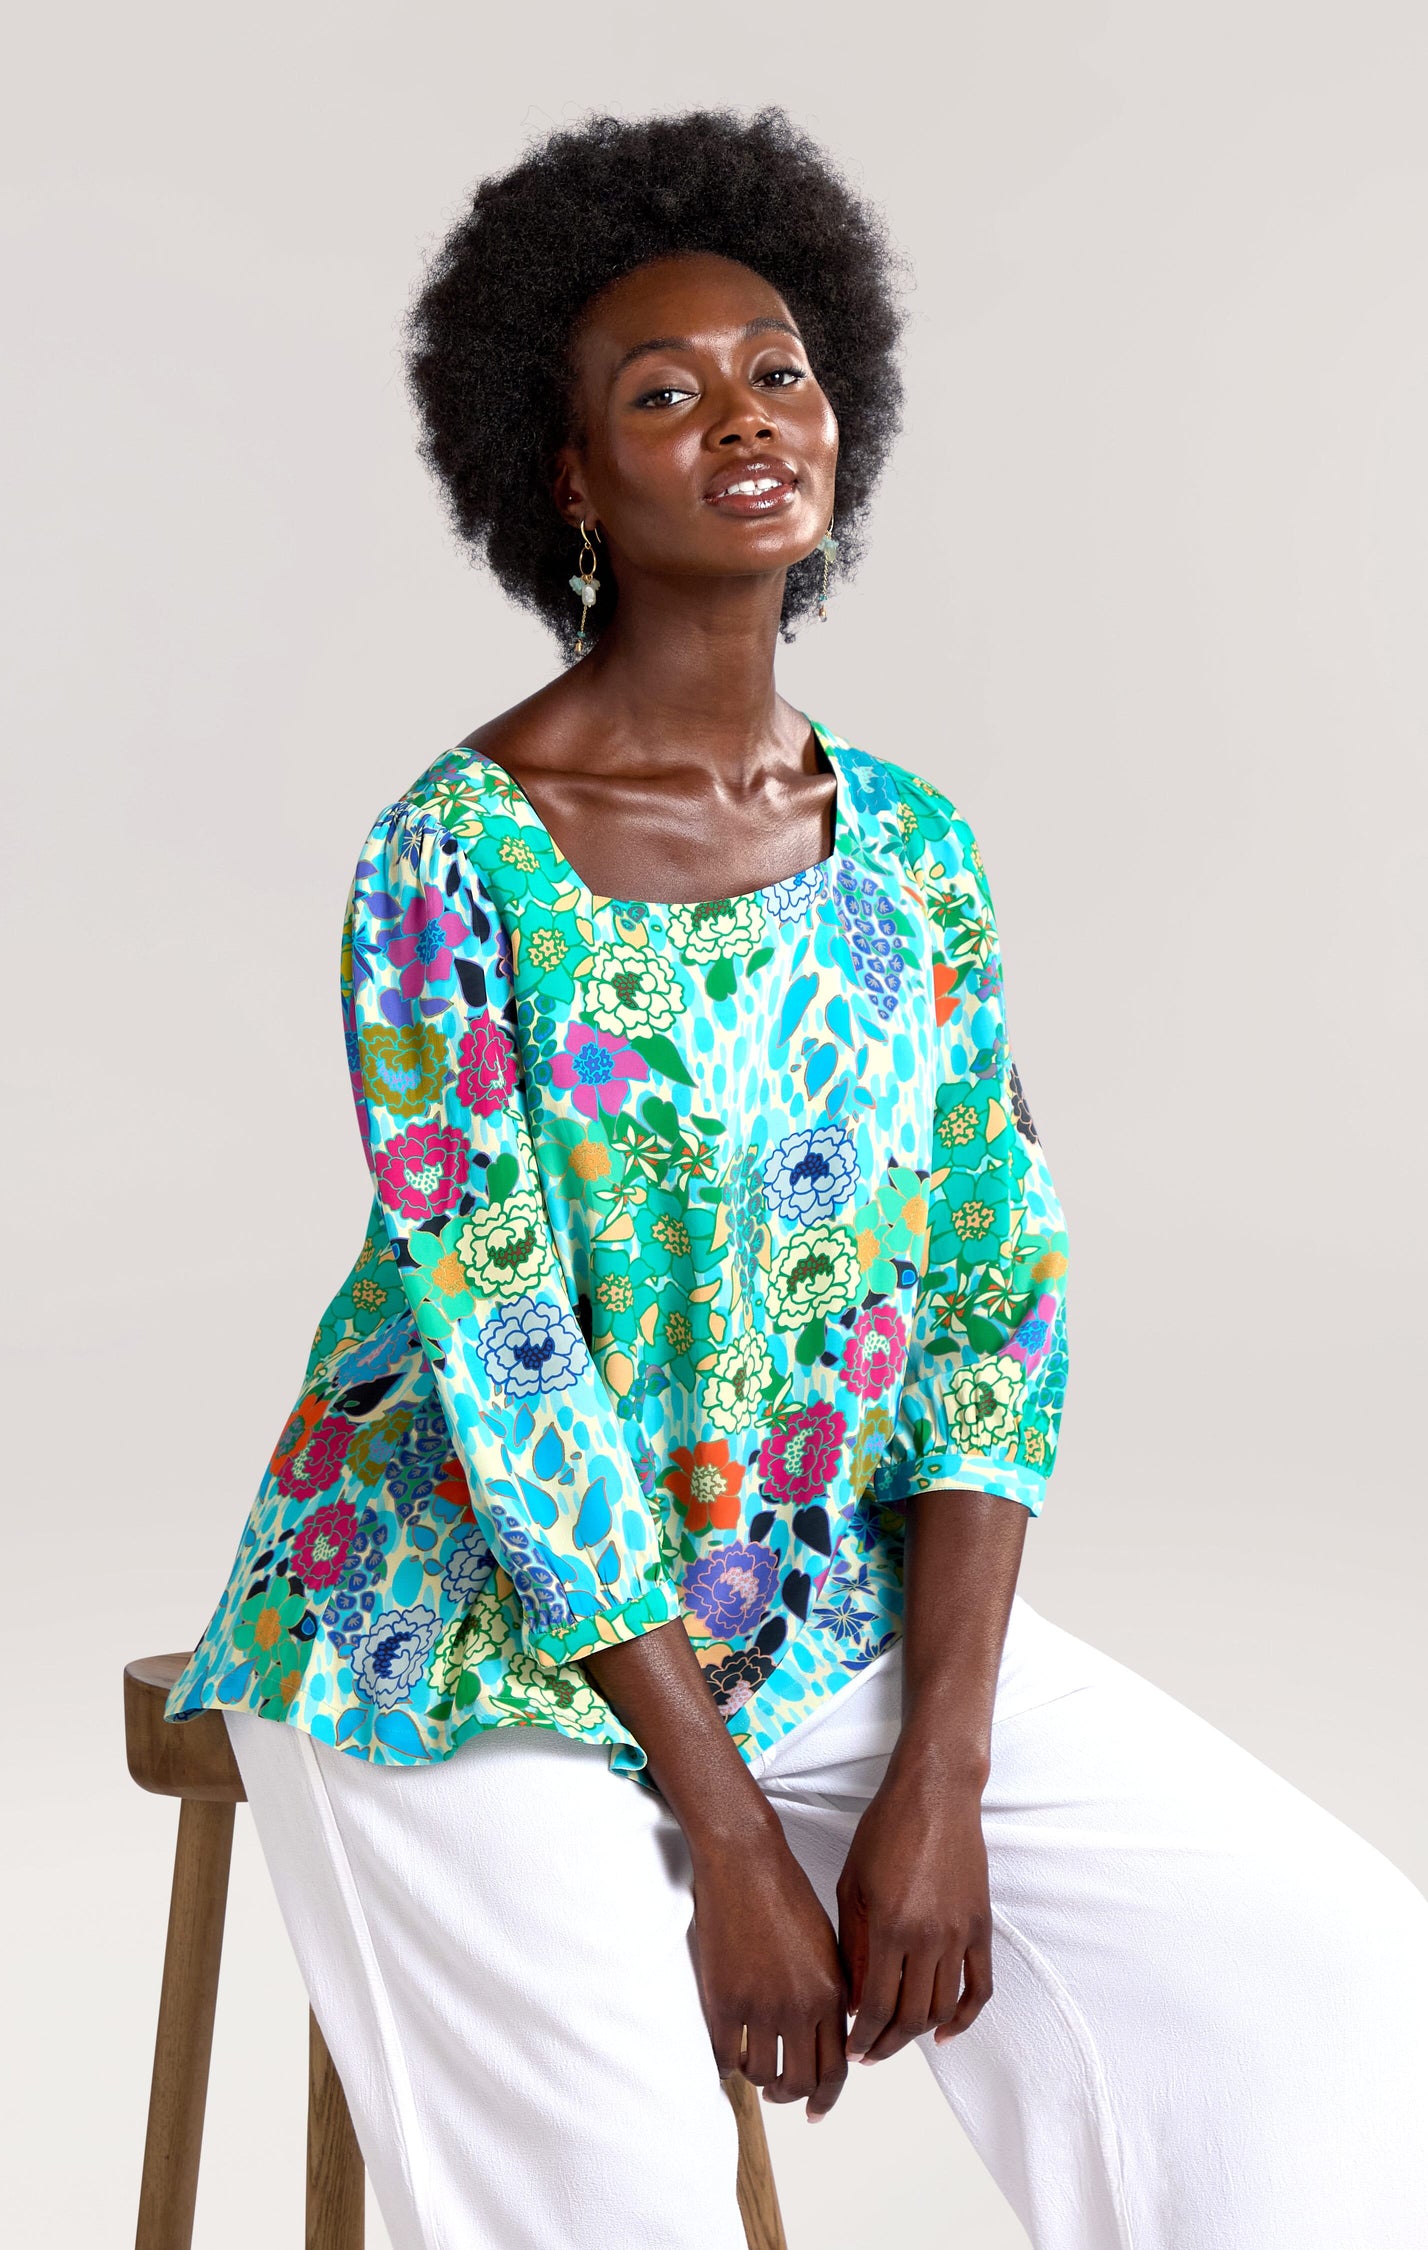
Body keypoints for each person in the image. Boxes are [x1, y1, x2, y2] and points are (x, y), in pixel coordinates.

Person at [167, 109, 1428, 2250]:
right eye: (661, 393)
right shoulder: (452, 857)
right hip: (455, 1635)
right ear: (567, 483)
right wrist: (733, 1836)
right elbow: (505, 1359)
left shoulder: (914, 852)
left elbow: (986, 1305)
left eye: (777, 367)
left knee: (1327, 1966)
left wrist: (936, 1773)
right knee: (637, 2198)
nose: (743, 416)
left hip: (810, 1611)